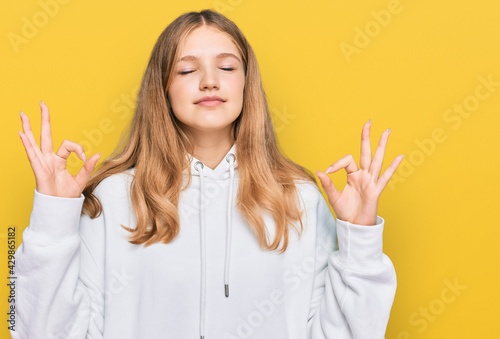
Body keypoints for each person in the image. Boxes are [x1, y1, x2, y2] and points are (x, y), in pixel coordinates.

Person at [12, 9, 404, 339]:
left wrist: (360, 237)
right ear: (162, 88)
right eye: (186, 70)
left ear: (247, 82)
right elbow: (36, 330)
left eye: (227, 66)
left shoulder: (300, 199)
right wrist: (52, 218)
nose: (210, 81)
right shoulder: (112, 199)